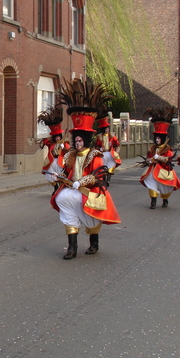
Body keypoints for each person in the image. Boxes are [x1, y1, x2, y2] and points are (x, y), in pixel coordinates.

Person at [49, 80, 121, 260]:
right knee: (64, 204)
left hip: (89, 191)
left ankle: (94, 243)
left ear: (87, 140)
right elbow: (67, 172)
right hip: (71, 190)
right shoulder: (71, 155)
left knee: (92, 217)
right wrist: (61, 177)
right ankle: (72, 248)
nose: (78, 142)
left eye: (81, 140)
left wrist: (81, 182)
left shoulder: (95, 155)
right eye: (77, 140)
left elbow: (97, 175)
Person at [139, 108, 180, 208]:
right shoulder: (152, 148)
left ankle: (165, 199)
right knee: (150, 182)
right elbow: (148, 157)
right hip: (152, 170)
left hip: (164, 170)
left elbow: (169, 159)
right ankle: (153, 202)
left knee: (165, 186)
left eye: (159, 138)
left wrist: (159, 158)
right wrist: (149, 160)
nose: (157, 140)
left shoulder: (168, 149)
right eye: (156, 138)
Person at [37, 106, 70, 192]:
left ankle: (62, 188)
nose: (57, 138)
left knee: (61, 175)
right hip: (51, 161)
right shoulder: (51, 144)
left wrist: (63, 148)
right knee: (50, 174)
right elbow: (45, 142)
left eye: (59, 137)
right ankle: (55, 187)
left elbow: (69, 151)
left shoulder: (65, 143)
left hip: (60, 161)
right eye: (56, 137)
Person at [94, 114, 121, 186]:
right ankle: (104, 179)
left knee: (110, 168)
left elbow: (117, 144)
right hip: (102, 154)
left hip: (110, 153)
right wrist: (99, 149)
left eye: (108, 128)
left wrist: (116, 152)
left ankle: (108, 180)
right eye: (106, 128)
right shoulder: (99, 137)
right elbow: (96, 146)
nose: (107, 130)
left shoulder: (112, 136)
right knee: (103, 168)